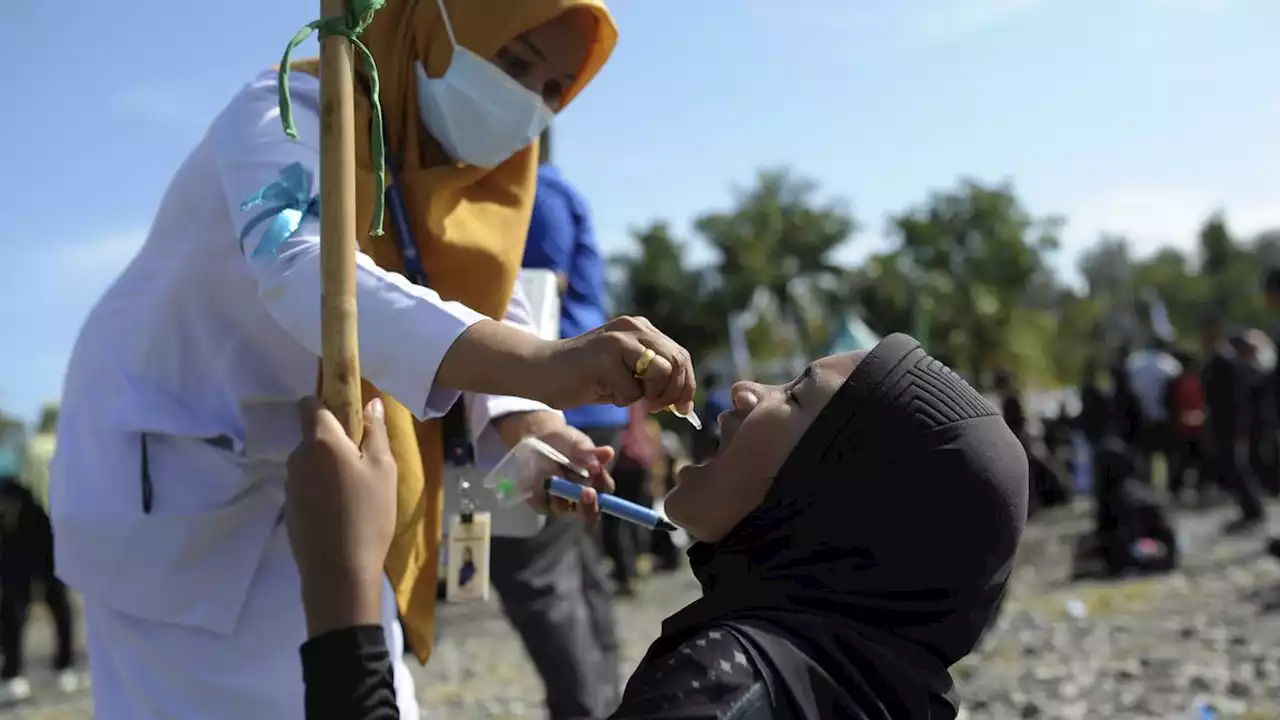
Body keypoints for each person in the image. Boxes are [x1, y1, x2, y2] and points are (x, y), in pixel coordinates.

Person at [47, 1, 701, 717]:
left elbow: (486, 294)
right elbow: (306, 270)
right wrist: (542, 363)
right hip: (186, 499)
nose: (525, 104)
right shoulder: (291, 111)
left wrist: (532, 429)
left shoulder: (481, 180)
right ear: (434, 30)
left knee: (368, 692)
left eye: (551, 89)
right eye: (512, 64)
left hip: (344, 491)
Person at [287, 334, 1028, 719]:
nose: (745, 389)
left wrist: (343, 588)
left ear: (841, 499)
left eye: (797, 395)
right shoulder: (881, 688)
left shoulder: (728, 687)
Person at [487, 125, 625, 720]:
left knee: (530, 569)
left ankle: (586, 710)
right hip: (585, 408)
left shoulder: (532, 190)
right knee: (573, 564)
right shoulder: (563, 189)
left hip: (544, 411)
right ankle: (611, 703)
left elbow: (525, 282)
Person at [0, 404, 79, 704]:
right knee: (59, 602)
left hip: (18, 538)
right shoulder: (72, 447)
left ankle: (13, 674)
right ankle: (66, 665)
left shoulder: (22, 448)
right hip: (56, 536)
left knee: (14, 606)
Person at [1201, 317, 1266, 533]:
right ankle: (1251, 508)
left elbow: (1234, 399)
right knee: (1235, 468)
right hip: (1225, 424)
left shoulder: (1225, 361)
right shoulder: (1221, 360)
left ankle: (1254, 509)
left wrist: (1239, 427)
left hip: (1231, 425)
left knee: (1238, 468)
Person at [1164, 352, 1205, 502]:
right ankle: (1175, 489)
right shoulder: (1174, 383)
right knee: (1180, 460)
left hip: (1198, 426)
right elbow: (1169, 404)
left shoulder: (1199, 381)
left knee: (1199, 459)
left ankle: (1200, 487)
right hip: (1180, 427)